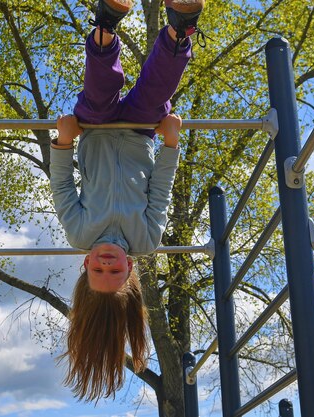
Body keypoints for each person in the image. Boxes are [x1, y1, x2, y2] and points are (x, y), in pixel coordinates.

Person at [50, 0, 205, 402]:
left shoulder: (79, 232)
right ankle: (180, 27)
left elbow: (63, 187)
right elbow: (160, 189)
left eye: (96, 272)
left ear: (85, 266)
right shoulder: (146, 237)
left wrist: (64, 142)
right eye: (113, 273)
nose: (104, 265)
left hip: (96, 130)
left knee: (98, 95)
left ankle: (106, 24)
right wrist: (171, 143)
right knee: (156, 95)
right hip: (140, 133)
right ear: (129, 269)